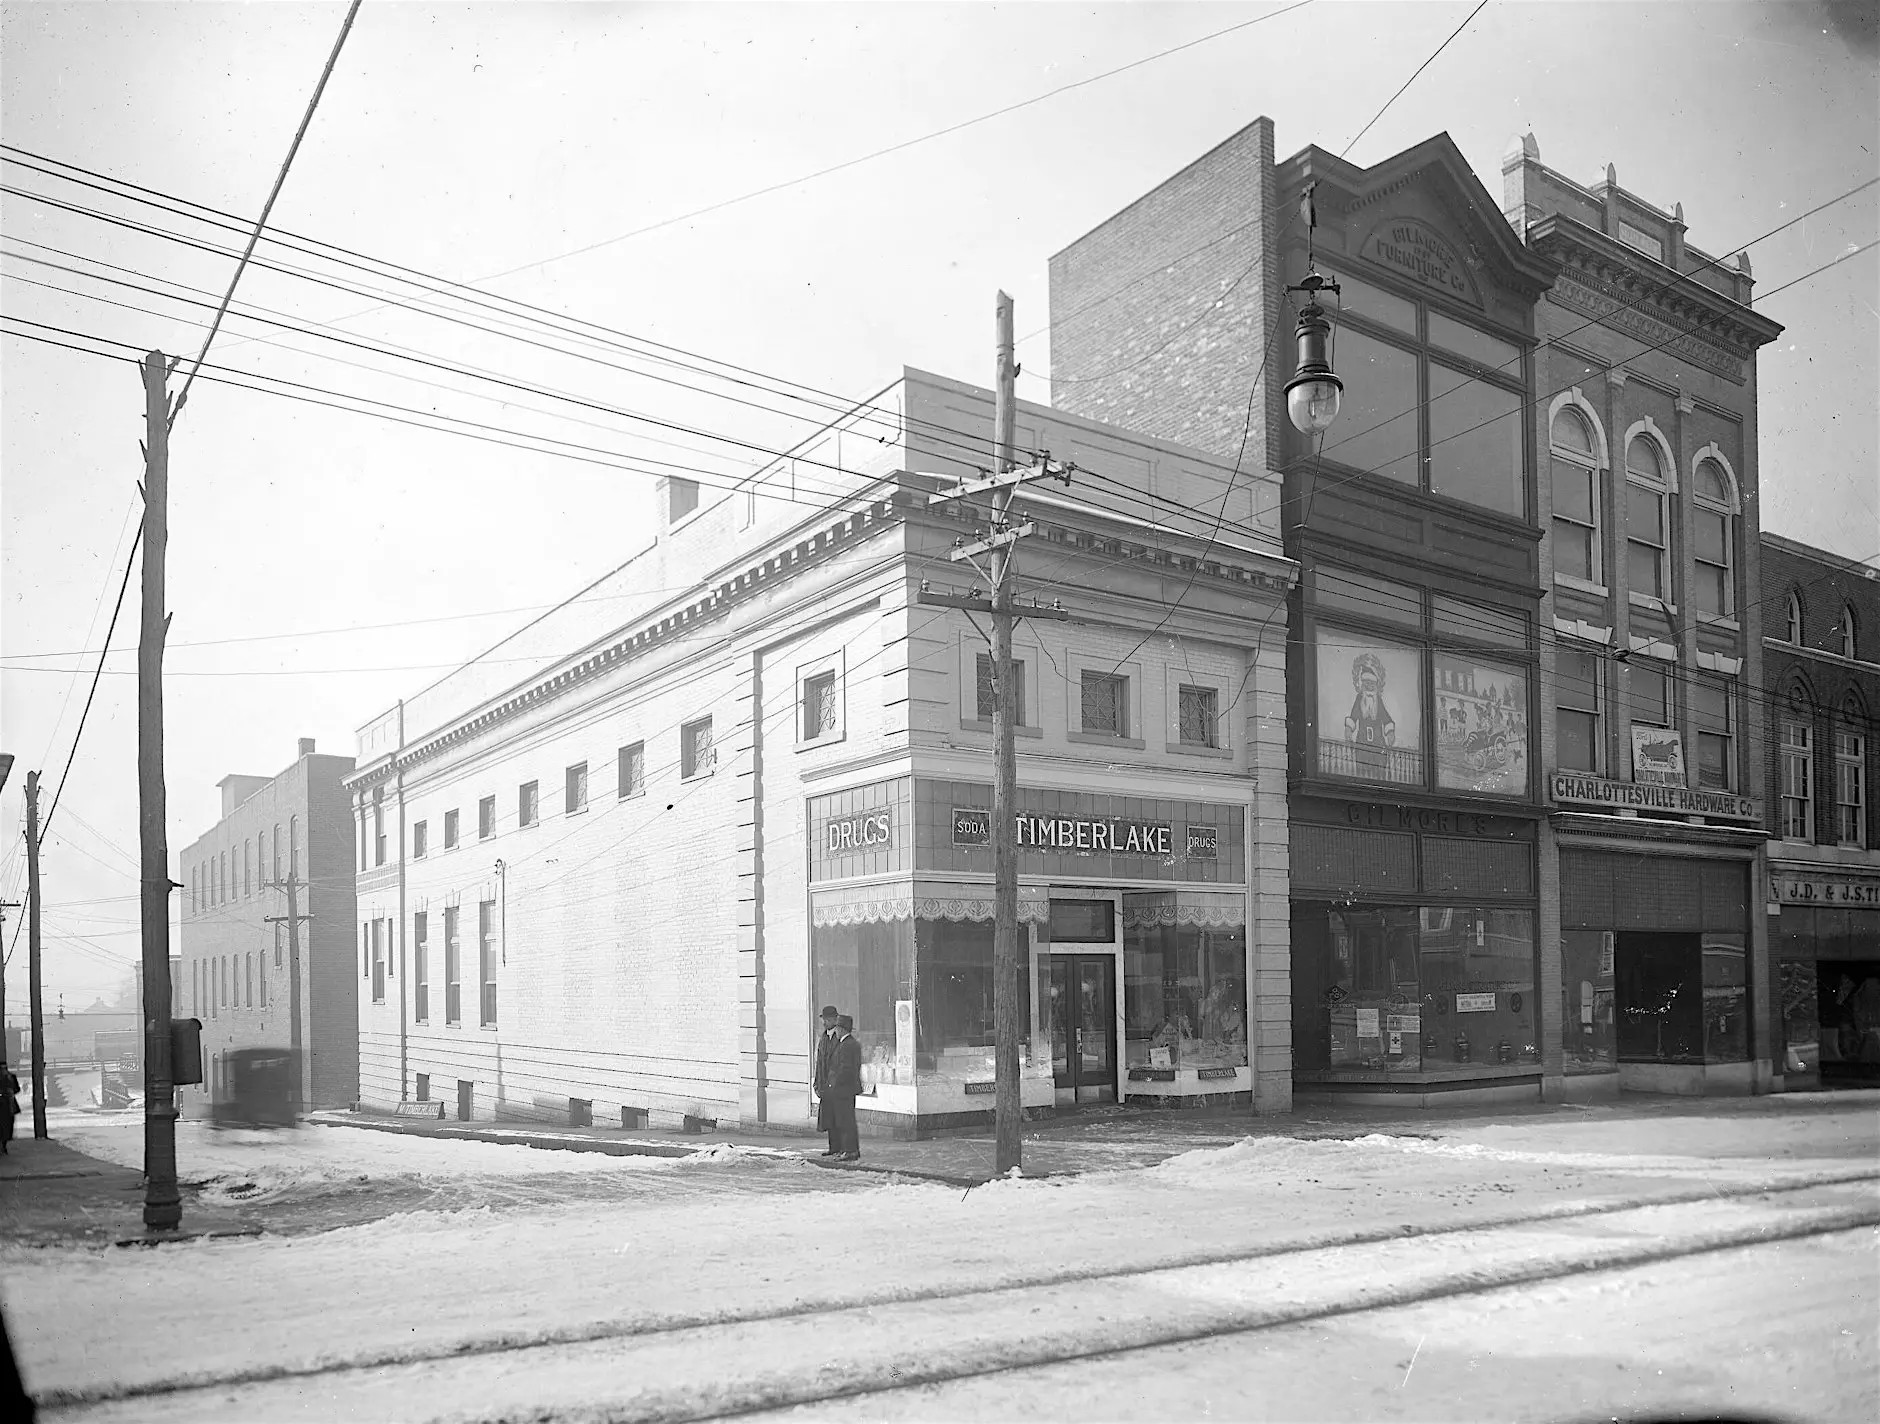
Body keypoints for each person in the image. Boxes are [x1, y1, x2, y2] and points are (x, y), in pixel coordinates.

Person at [824, 1014, 863, 1161]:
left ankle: (850, 1150)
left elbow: (845, 1069)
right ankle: (848, 1149)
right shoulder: (849, 1043)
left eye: (837, 1028)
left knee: (845, 1121)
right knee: (845, 1120)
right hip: (846, 1089)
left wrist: (834, 1084)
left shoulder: (847, 1045)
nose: (836, 1031)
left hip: (843, 1090)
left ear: (841, 1029)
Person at [811, 1004, 840, 1151]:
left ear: (835, 1019)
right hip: (825, 1084)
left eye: (827, 1019)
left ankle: (840, 1148)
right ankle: (832, 1147)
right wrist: (817, 1083)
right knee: (828, 1118)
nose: (824, 1022)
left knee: (837, 1118)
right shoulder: (823, 1038)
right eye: (824, 1019)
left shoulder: (840, 1037)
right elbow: (819, 1062)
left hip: (837, 1085)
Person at [0, 1066, 19, 1154]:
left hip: (9, 1104)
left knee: (8, 1124)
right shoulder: (10, 1076)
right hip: (4, 1103)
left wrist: (11, 1091)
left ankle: (4, 1144)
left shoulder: (12, 1076)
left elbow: (17, 1089)